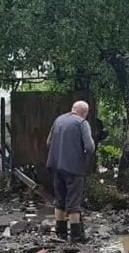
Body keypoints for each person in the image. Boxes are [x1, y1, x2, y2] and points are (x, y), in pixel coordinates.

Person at [46, 100, 95, 243]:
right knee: (74, 201)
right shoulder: (82, 123)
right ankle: (76, 236)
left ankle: (60, 234)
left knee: (60, 200)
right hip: (74, 169)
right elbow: (90, 147)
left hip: (56, 167)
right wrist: (82, 156)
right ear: (85, 113)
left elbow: (48, 143)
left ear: (72, 108)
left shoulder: (58, 120)